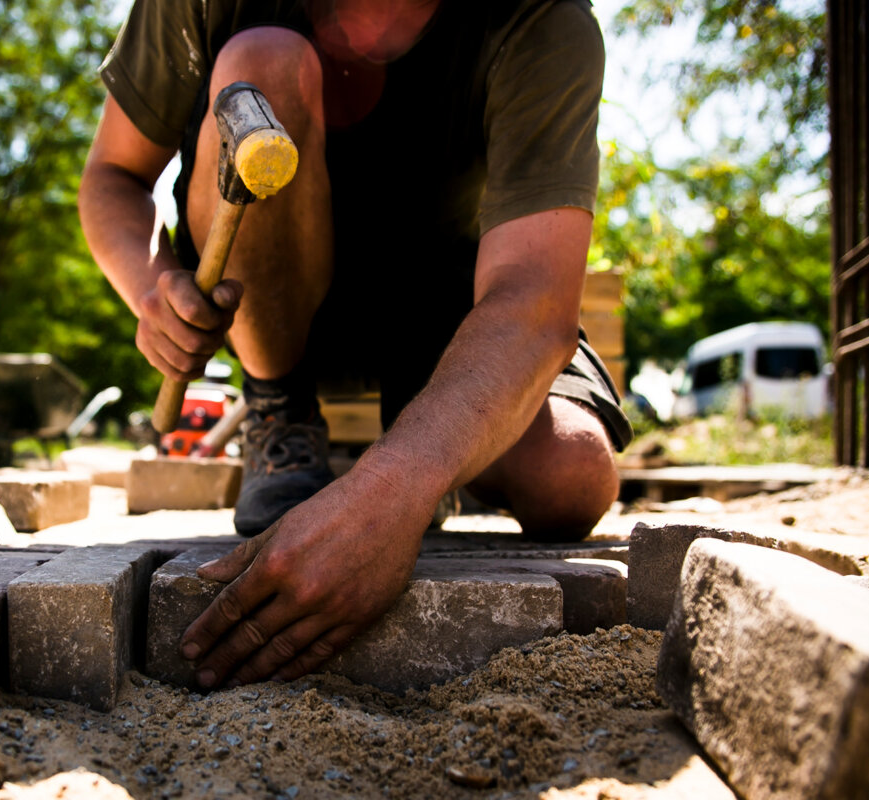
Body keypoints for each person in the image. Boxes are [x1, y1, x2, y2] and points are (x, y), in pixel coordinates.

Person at [78, 0, 633, 690]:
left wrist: (397, 487)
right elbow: (113, 176)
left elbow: (532, 301)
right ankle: (279, 404)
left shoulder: (540, 19)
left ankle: (424, 428)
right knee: (264, 62)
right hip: (276, 298)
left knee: (572, 477)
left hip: (452, 311)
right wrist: (151, 285)